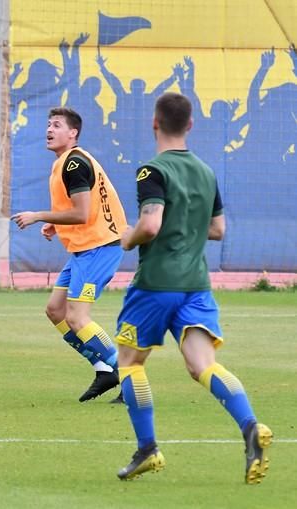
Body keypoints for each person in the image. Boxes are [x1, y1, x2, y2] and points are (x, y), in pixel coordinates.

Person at [114, 92, 272, 483]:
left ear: (154, 122)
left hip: (155, 284)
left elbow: (150, 224)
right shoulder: (205, 171)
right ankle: (250, 426)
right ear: (190, 125)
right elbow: (218, 229)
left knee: (129, 363)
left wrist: (128, 239)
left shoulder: (152, 172)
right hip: (196, 285)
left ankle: (148, 448)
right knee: (203, 365)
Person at [11, 107, 127, 403]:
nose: (49, 130)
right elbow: (83, 210)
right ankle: (104, 368)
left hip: (99, 248)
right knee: (55, 311)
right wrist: (55, 221)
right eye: (48, 124)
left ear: (72, 133)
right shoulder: (68, 162)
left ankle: (127, 376)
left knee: (77, 317)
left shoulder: (74, 163)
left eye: (57, 125)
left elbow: (81, 212)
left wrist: (38, 215)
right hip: (83, 249)